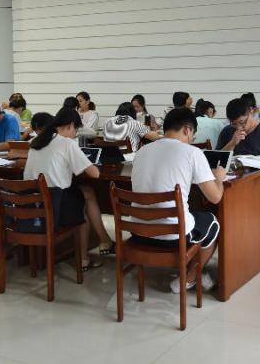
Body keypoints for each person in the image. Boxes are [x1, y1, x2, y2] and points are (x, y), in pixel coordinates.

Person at [130, 107, 226, 293]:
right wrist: (219, 178)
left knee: (189, 214)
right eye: (192, 135)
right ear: (187, 130)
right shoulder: (192, 153)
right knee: (212, 223)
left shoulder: (142, 151)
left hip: (138, 234)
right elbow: (215, 197)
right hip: (172, 238)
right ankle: (188, 279)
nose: (191, 140)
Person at [24, 108, 115, 270]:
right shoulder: (66, 143)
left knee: (86, 192)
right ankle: (84, 259)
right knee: (81, 209)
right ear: (71, 125)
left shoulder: (36, 141)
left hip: (32, 205)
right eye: (76, 130)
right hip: (54, 206)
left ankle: (104, 240)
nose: (75, 134)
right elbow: (94, 174)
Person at [218, 98, 260, 168]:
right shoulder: (227, 131)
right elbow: (217, 161)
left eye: (242, 122)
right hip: (234, 173)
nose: (239, 127)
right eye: (234, 124)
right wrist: (232, 143)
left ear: (251, 112)